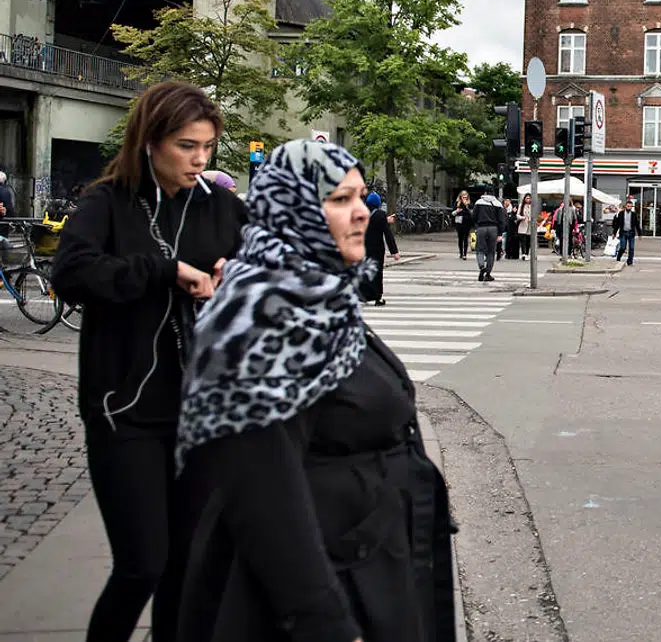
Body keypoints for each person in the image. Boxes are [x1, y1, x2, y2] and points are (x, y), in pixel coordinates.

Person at [174, 140, 455, 641]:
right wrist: (327, 622)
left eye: (362, 198)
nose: (361, 213)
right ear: (293, 207)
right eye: (340, 199)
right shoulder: (262, 315)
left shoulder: (321, 297)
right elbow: (262, 493)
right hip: (320, 586)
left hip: (366, 559)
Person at [49, 80, 247, 642]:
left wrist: (238, 278)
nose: (200, 159)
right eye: (187, 145)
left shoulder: (222, 206)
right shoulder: (106, 201)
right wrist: (162, 271)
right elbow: (71, 274)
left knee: (188, 569)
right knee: (143, 564)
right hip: (125, 411)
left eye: (207, 146)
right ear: (151, 140)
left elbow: (269, 270)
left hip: (202, 414)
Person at [360, 192, 399, 305]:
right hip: (377, 249)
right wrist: (394, 252)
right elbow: (388, 234)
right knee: (377, 273)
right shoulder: (380, 215)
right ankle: (377, 297)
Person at [472, 185, 504, 282]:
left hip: (481, 228)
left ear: (484, 192)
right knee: (491, 252)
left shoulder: (478, 202)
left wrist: (476, 227)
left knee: (480, 250)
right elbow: (501, 220)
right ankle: (488, 273)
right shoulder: (498, 204)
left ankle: (481, 266)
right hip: (493, 229)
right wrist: (500, 233)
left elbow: (474, 217)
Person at [612, 199, 639, 265]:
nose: (629, 207)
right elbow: (617, 224)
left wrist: (640, 233)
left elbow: (637, 224)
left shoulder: (633, 214)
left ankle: (630, 261)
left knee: (631, 248)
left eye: (630, 206)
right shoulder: (621, 214)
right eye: (628, 206)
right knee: (623, 247)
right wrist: (614, 233)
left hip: (631, 233)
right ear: (625, 206)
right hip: (623, 232)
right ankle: (618, 257)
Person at [451, 190, 474, 260]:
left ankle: (465, 254)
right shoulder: (457, 203)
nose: (464, 198)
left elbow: (472, 211)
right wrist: (457, 211)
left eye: (465, 197)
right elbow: (453, 213)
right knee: (460, 238)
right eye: (463, 197)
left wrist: (467, 205)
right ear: (460, 197)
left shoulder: (469, 203)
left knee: (466, 238)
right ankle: (461, 253)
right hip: (459, 222)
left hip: (467, 222)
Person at [517, 193, 533, 260]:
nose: (528, 199)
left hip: (529, 225)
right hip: (522, 224)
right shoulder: (521, 205)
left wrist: (531, 219)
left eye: (529, 198)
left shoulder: (533, 206)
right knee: (523, 240)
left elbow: (535, 215)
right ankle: (523, 254)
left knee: (528, 240)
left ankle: (527, 254)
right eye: (527, 198)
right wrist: (522, 217)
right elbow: (517, 215)